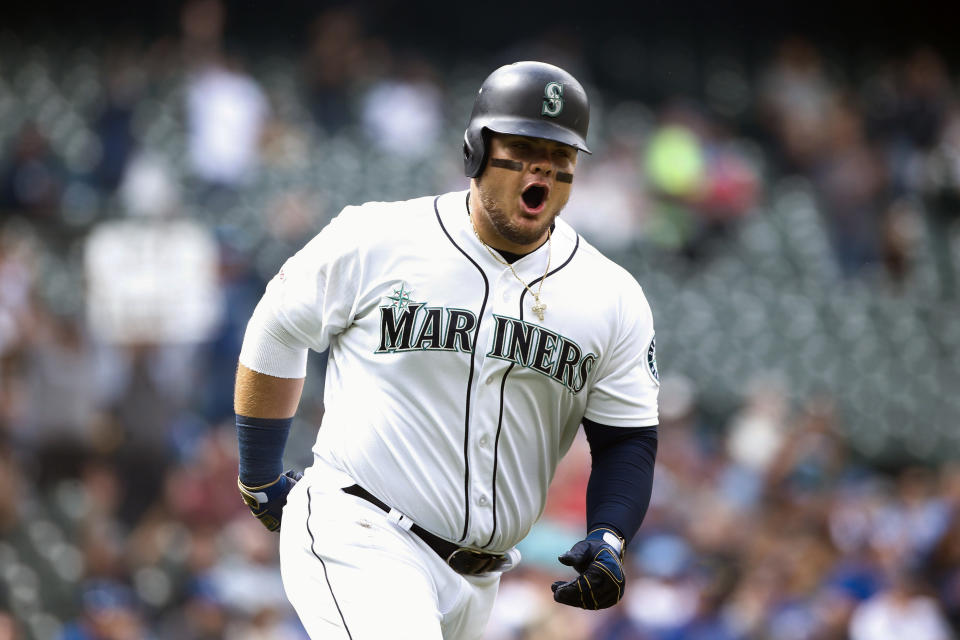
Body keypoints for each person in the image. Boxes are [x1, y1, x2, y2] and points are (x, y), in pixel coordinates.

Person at [233, 60, 660, 639]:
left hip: (479, 581)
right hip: (362, 529)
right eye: (523, 147)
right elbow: (279, 328)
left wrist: (609, 533)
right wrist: (259, 474)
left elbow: (626, 436)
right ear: (476, 151)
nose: (543, 168)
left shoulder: (611, 295)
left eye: (560, 156)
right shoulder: (377, 238)